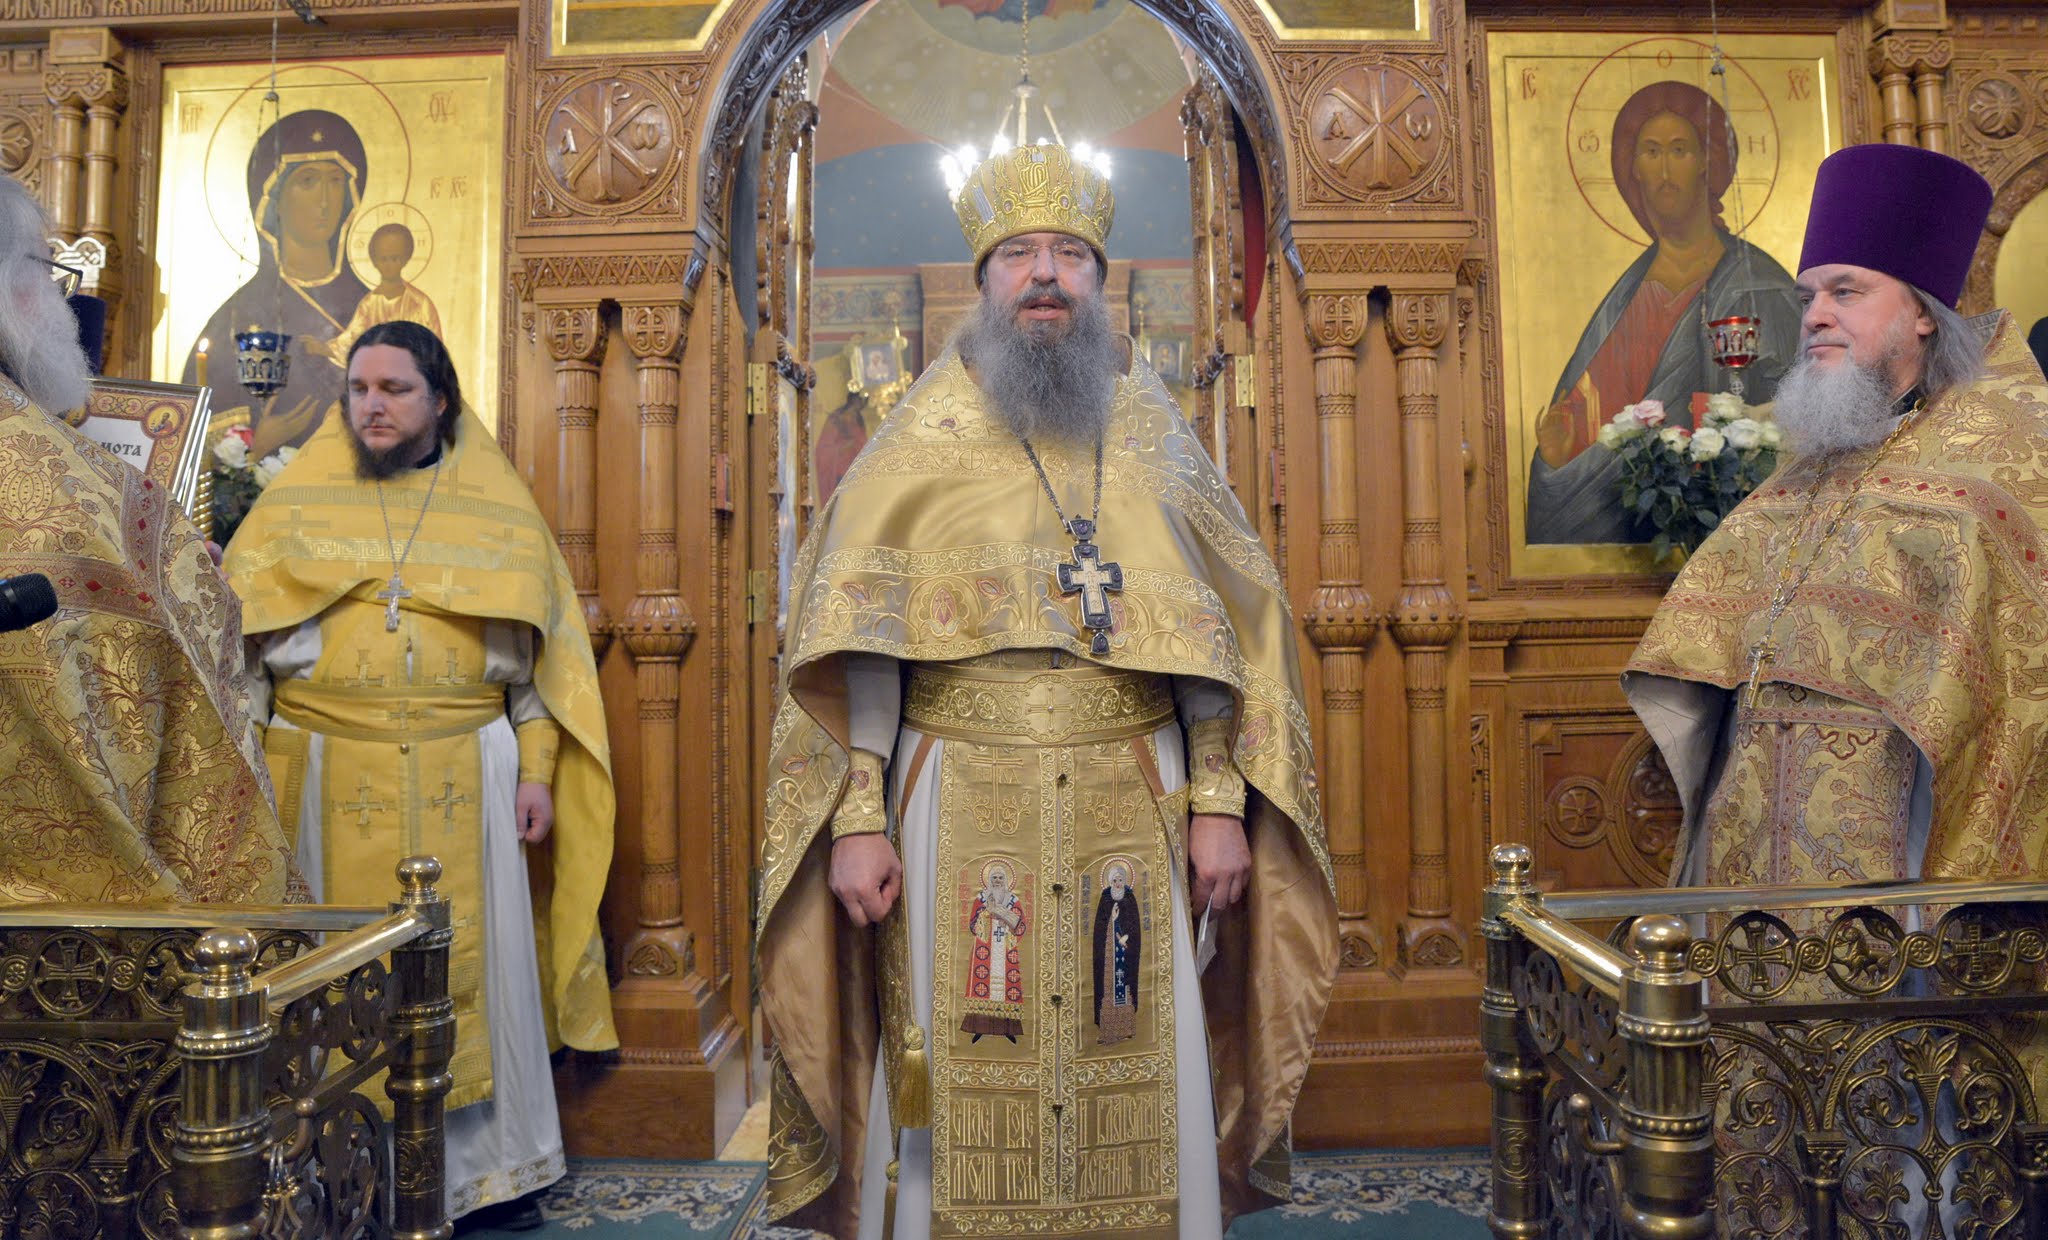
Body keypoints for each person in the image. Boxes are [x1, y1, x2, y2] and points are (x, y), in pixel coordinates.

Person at [755, 142, 1337, 1239]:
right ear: (981, 279)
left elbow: (1218, 642)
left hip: (1135, 788)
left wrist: (1219, 804)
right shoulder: (911, 447)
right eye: (1019, 253)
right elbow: (860, 647)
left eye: (1069, 254)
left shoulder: (1156, 441)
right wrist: (859, 820)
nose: (1044, 275)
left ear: (1099, 281)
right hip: (954, 793)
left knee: (1130, 1027)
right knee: (968, 1034)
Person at [224, 320, 617, 1229]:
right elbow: (240, 663)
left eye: (395, 389)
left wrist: (537, 772)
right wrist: (251, 774)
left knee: (478, 976)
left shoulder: (498, 509)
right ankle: (332, 1178)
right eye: (360, 389)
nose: (373, 405)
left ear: (439, 400)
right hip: (326, 774)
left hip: (466, 771)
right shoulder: (291, 506)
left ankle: (486, 1178)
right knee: (333, 982)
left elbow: (537, 667)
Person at [0, 172, 294, 905]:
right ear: (14, 287)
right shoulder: (78, 487)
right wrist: (187, 575)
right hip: (63, 936)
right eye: (47, 270)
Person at [1527, 80, 1801, 544]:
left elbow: (1795, 407)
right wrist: (1557, 458)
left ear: (1707, 163)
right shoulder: (1627, 295)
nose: (1665, 169)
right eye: (1651, 152)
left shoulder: (1760, 284)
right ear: (1632, 169)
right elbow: (1589, 415)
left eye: (1680, 150)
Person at [184, 110, 370, 457]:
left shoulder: (377, 310)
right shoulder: (236, 317)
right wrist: (258, 443)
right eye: (308, 181)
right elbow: (191, 442)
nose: (325, 200)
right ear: (273, 199)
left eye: (335, 181)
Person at [315, 222, 445, 363]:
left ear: (405, 258)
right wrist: (323, 349)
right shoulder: (369, 304)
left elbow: (434, 348)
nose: (389, 265)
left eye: (394, 258)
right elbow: (352, 339)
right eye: (383, 259)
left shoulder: (420, 303)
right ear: (374, 260)